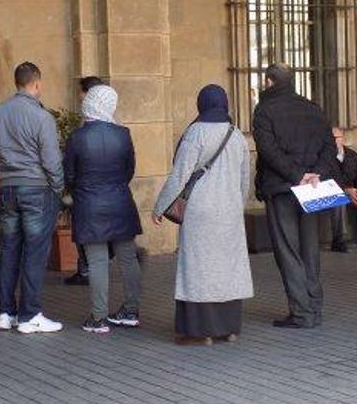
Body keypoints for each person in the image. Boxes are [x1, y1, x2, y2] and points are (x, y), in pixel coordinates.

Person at [153, 84, 253, 345]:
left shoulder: (195, 132)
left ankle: (200, 332)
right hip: (229, 210)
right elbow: (245, 179)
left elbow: (180, 175)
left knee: (198, 269)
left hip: (200, 211)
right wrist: (236, 205)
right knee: (227, 269)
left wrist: (160, 206)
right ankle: (228, 328)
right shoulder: (237, 135)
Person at [253, 63, 336, 329]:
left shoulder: (264, 110)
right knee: (310, 249)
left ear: (269, 82)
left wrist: (296, 175)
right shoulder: (313, 108)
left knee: (288, 251)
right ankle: (315, 306)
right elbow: (329, 147)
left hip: (282, 188)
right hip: (314, 188)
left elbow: (268, 151)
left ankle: (301, 312)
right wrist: (315, 175)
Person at [0, 61, 64, 334]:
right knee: (34, 252)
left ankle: (5, 313)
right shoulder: (43, 118)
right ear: (37, 84)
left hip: (7, 189)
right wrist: (58, 188)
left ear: (16, 82)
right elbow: (52, 161)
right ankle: (30, 315)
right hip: (37, 189)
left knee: (9, 250)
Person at [64, 85, 143, 334]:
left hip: (89, 203)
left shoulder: (77, 137)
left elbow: (69, 174)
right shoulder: (123, 134)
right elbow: (130, 169)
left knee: (97, 260)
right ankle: (131, 310)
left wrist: (80, 190)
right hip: (120, 200)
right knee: (128, 256)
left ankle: (98, 317)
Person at [63, 75, 106, 287]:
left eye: (81, 91)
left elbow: (72, 163)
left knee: (85, 230)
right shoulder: (115, 125)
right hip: (105, 188)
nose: (78, 96)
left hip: (86, 188)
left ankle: (88, 269)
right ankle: (87, 267)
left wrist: (71, 185)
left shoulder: (85, 127)